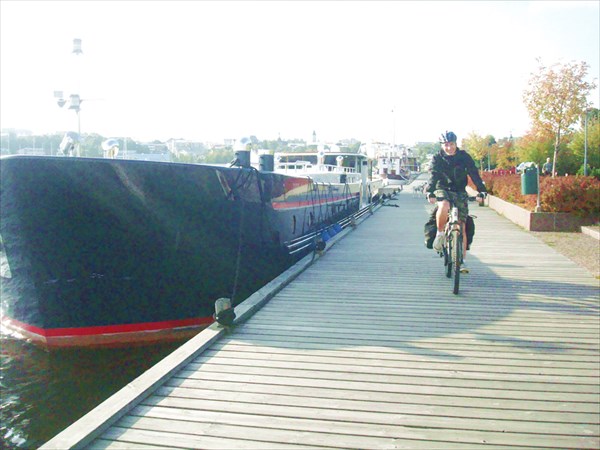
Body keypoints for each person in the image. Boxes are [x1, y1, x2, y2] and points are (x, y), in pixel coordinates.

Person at [426, 131, 487, 273]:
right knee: (444, 205)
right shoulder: (437, 158)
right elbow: (433, 175)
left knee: (461, 226)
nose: (449, 148)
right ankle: (440, 234)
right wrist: (430, 191)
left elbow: (473, 173)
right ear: (442, 145)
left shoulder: (464, 157)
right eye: (446, 145)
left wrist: (482, 190)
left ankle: (462, 261)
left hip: (459, 191)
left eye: (451, 144)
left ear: (456, 144)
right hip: (443, 188)